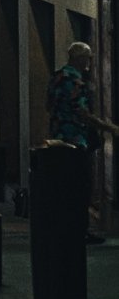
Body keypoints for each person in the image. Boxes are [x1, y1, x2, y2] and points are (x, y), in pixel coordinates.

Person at [47, 41, 107, 243]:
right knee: (80, 188)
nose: (89, 62)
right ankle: (80, 230)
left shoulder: (56, 77)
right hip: (75, 140)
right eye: (88, 58)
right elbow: (82, 113)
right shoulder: (76, 81)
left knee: (62, 187)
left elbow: (48, 105)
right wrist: (107, 127)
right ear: (81, 59)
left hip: (57, 138)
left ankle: (62, 228)